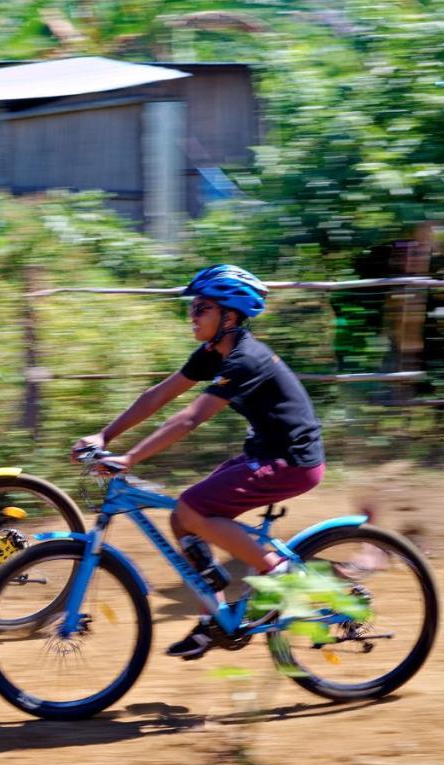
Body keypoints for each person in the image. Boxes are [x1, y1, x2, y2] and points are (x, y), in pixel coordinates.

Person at [72, 264, 326, 660]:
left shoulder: (245, 359)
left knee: (194, 507)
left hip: (293, 461)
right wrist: (105, 436)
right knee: (181, 519)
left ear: (229, 315)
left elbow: (190, 418)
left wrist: (130, 458)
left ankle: (281, 573)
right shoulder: (214, 353)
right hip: (265, 452)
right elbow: (158, 395)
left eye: (201, 308)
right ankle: (216, 615)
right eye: (193, 307)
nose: (192, 315)